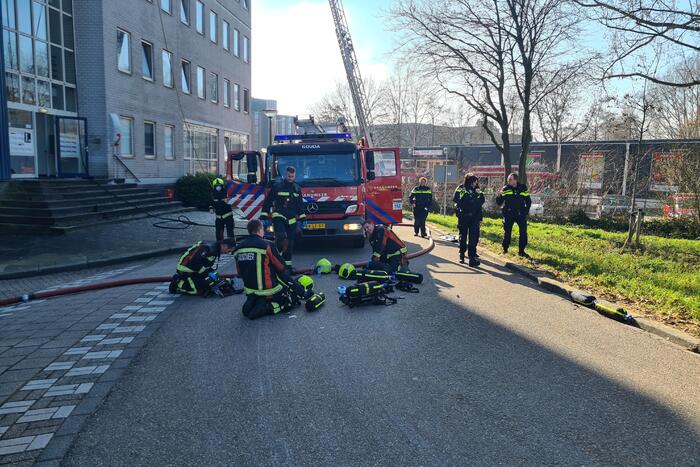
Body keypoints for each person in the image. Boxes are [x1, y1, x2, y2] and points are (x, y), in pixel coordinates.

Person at [235, 219, 302, 320]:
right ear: (260, 230)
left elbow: (239, 273)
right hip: (268, 290)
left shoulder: (238, 248)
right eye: (262, 228)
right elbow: (281, 266)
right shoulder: (266, 245)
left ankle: (254, 302)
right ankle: (266, 308)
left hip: (250, 289)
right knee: (289, 301)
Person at [261, 166, 306, 271]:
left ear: (295, 176)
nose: (290, 178)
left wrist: (303, 218)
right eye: (289, 176)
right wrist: (264, 216)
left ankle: (288, 266)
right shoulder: (277, 186)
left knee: (290, 243)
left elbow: (300, 205)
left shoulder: (297, 188)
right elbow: (268, 201)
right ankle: (276, 260)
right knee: (280, 237)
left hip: (291, 219)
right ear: (286, 175)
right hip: (279, 216)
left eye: (292, 177)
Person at [170, 238, 236, 295]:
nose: (227, 253)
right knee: (199, 290)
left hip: (195, 270)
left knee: (211, 282)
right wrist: (208, 273)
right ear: (224, 245)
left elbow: (205, 264)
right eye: (228, 250)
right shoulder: (208, 248)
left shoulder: (216, 249)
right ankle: (177, 283)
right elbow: (194, 263)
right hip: (185, 270)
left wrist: (214, 274)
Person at [496, 172, 532, 257]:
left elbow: (528, 201)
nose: (508, 181)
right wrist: (498, 196)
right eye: (508, 179)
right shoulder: (505, 189)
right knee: (507, 232)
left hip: (520, 214)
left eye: (510, 179)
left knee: (523, 232)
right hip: (509, 214)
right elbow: (499, 203)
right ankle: (505, 249)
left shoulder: (523, 188)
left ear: (515, 180)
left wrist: (525, 211)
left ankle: (521, 251)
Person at [453, 174, 485, 266]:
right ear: (470, 181)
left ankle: (472, 258)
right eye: (474, 181)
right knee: (463, 236)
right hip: (463, 216)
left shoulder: (477, 190)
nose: (476, 183)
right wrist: (473, 198)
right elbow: (458, 199)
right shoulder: (461, 188)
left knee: (473, 238)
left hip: (474, 217)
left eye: (476, 182)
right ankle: (462, 254)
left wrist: (476, 196)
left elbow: (481, 201)